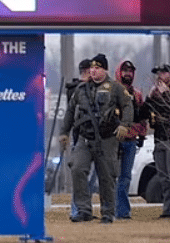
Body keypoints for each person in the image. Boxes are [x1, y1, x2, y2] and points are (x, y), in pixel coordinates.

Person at [59, 53, 133, 224]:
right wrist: (64, 132)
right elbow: (70, 111)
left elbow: (128, 105)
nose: (93, 71)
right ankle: (83, 210)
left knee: (107, 177)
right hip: (85, 137)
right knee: (77, 168)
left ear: (105, 70)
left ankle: (108, 212)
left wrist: (125, 125)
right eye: (92, 68)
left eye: (97, 68)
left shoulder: (115, 87)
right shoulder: (81, 89)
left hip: (106, 138)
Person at [139, 64, 170, 219]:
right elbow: (142, 114)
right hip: (160, 138)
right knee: (163, 176)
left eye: (163, 73)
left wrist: (166, 94)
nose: (160, 76)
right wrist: (149, 98)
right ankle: (168, 209)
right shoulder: (156, 95)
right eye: (158, 74)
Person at [114, 60, 147, 220]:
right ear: (119, 72)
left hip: (131, 140)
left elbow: (142, 117)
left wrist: (142, 135)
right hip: (115, 139)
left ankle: (123, 211)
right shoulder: (112, 91)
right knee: (112, 176)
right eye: (125, 71)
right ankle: (112, 209)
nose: (128, 74)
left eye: (130, 71)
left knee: (126, 177)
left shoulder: (137, 94)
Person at [64, 59, 94, 220]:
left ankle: (83, 208)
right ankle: (77, 209)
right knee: (79, 175)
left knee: (86, 176)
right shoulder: (76, 89)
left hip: (90, 137)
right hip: (80, 137)